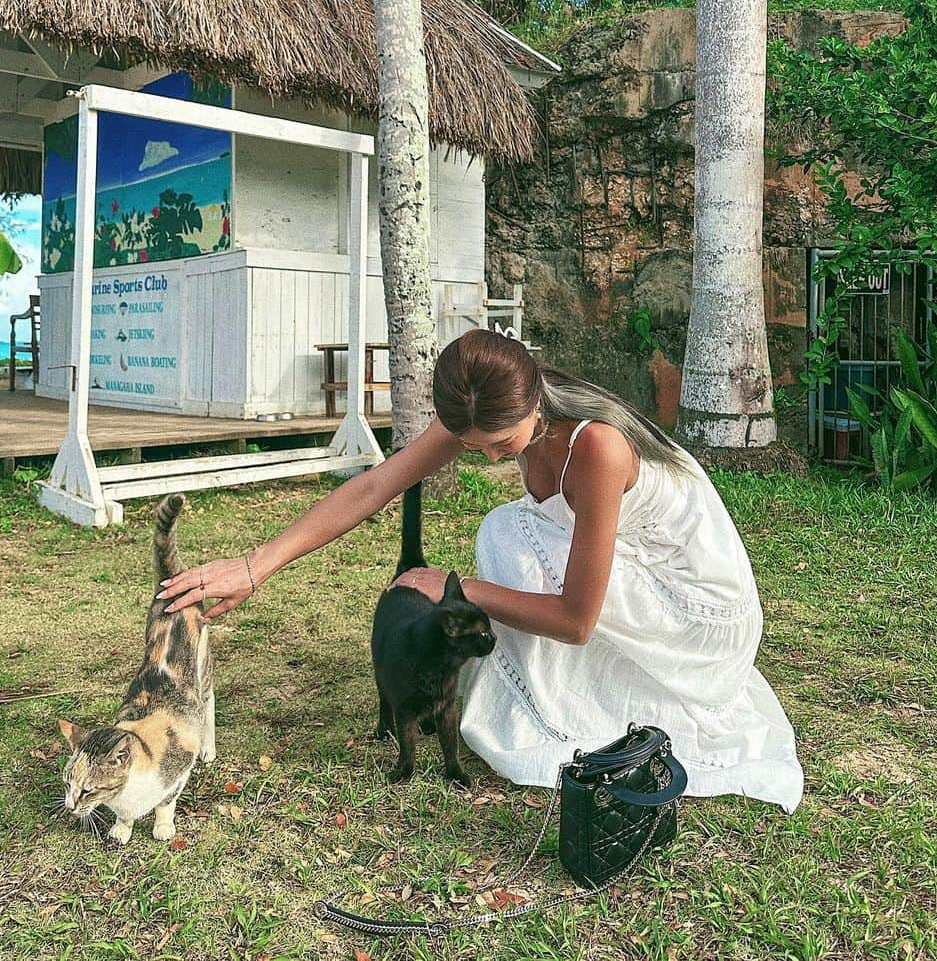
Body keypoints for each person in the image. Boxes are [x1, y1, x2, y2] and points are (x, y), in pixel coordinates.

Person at [158, 329, 804, 811]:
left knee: (511, 540)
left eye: (502, 444)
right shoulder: (485, 409)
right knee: (506, 530)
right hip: (632, 579)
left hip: (697, 611)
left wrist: (457, 590)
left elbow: (578, 622)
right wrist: (256, 564)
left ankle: (577, 710)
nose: (492, 455)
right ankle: (559, 697)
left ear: (534, 406)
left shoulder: (596, 446)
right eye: (475, 448)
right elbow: (377, 485)